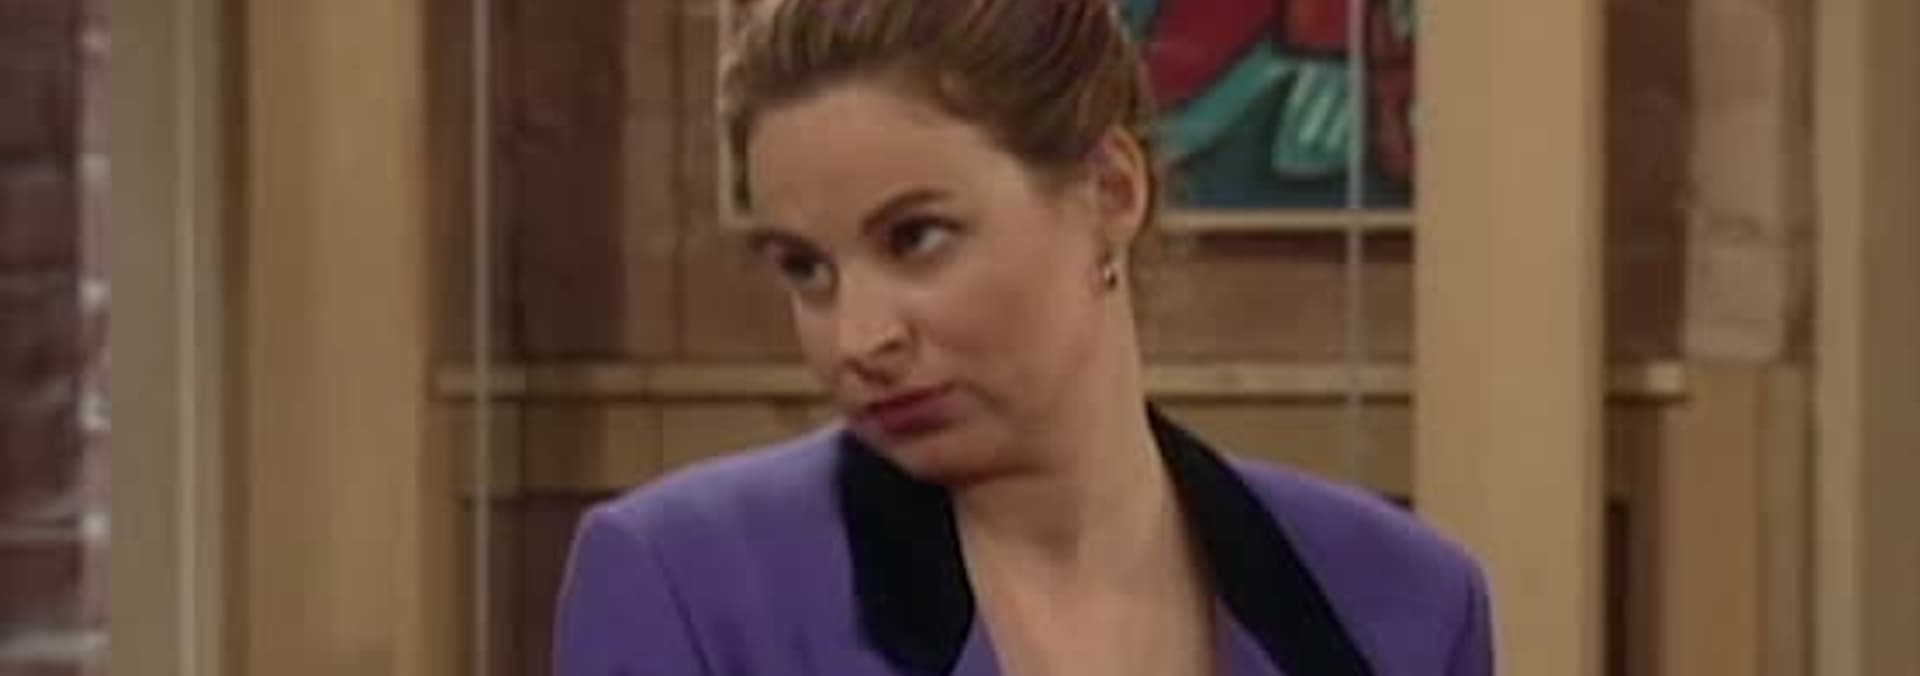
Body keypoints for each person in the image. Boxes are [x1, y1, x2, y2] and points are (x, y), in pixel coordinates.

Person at [553, 1, 1492, 674]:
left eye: (916, 238)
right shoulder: (687, 584)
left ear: (1110, 192)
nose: (858, 339)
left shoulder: (1401, 604)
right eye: (806, 268)